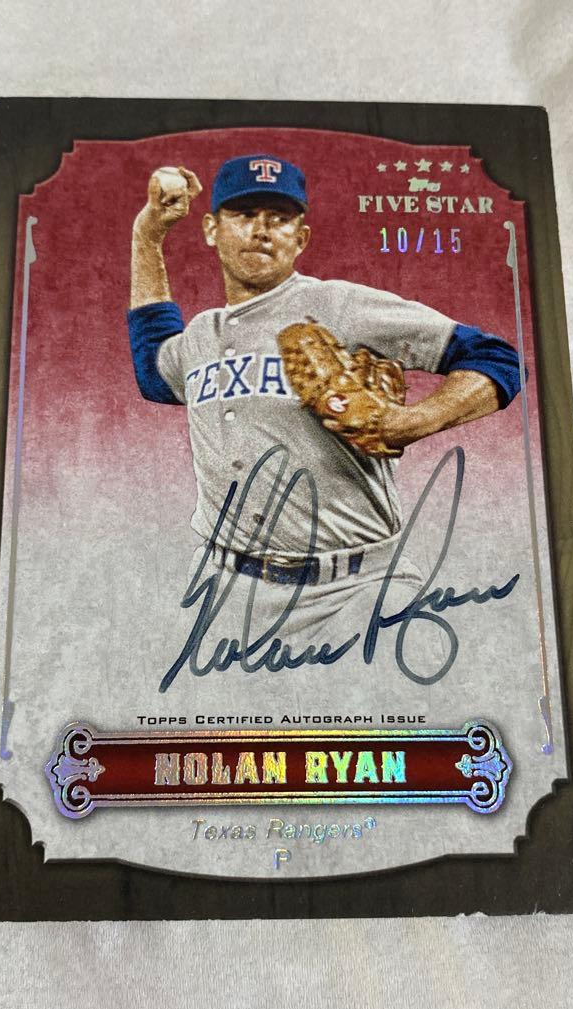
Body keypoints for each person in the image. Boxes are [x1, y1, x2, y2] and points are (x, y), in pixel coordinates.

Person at [126, 155, 522, 684]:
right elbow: (154, 369)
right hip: (226, 591)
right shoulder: (200, 335)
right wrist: (148, 234)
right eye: (244, 214)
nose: (261, 229)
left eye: (279, 217)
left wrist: (415, 420)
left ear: (302, 238)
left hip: (357, 589)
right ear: (211, 230)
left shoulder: (338, 306)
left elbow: (496, 357)